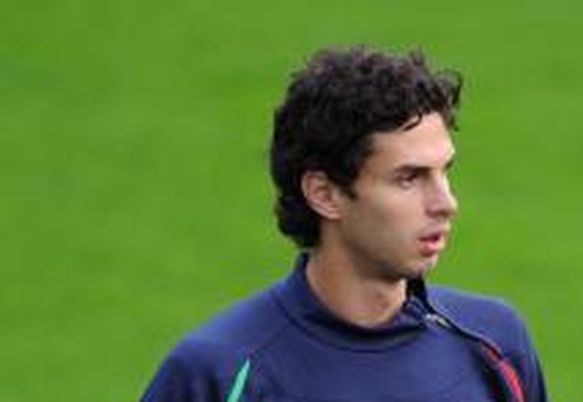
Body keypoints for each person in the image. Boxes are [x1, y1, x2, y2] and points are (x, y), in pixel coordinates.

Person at [141, 46, 548, 402]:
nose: (447, 204)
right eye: (409, 178)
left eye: (445, 172)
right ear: (324, 194)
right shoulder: (218, 374)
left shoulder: (495, 345)